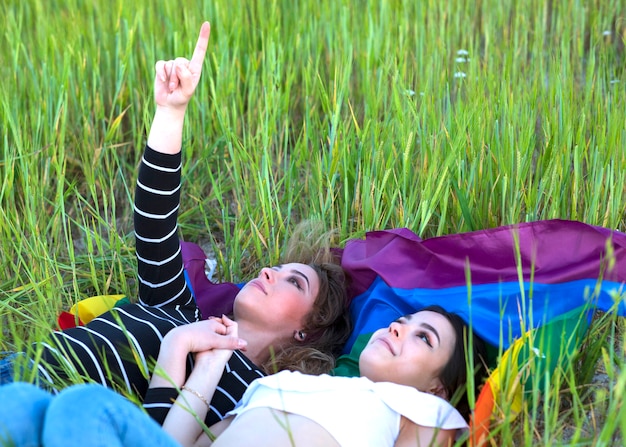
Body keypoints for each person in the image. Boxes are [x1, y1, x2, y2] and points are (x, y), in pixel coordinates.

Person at [0, 21, 352, 428]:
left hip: (44, 418)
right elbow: (154, 221)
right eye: (280, 269)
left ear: (308, 332)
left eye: (295, 282)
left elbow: (161, 438)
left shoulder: (250, 395)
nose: (269, 271)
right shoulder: (180, 310)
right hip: (19, 366)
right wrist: (171, 111)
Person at [0, 305, 487, 447]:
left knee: (83, 404)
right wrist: (208, 366)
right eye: (403, 322)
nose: (400, 329)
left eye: (424, 338)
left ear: (436, 385)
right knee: (21, 401)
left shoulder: (422, 410)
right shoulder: (281, 384)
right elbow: (177, 439)